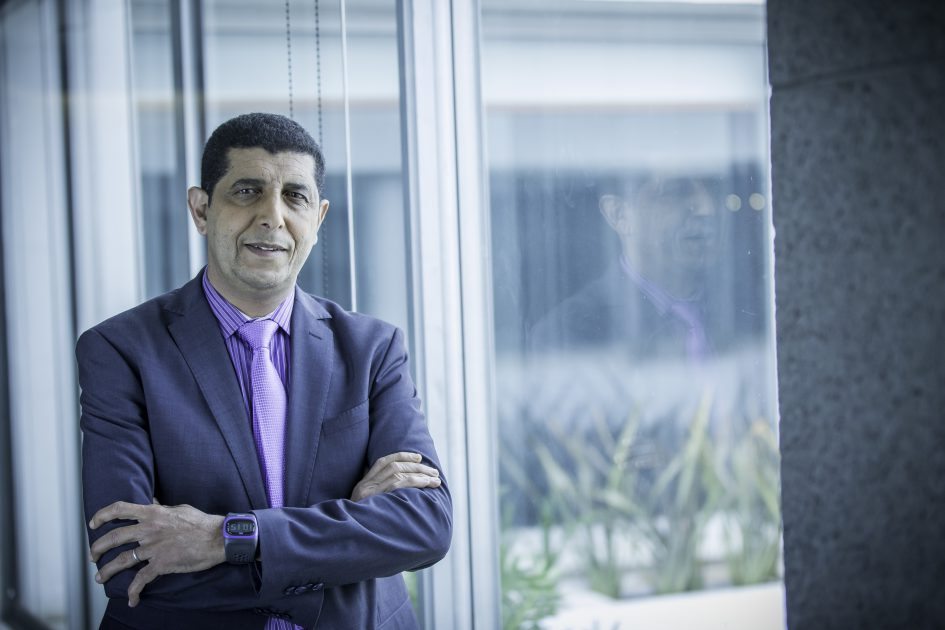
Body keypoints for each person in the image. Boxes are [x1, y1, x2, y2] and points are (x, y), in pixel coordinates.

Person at [78, 112, 451, 629]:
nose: (272, 217)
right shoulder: (120, 351)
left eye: (295, 197)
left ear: (318, 219)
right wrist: (345, 544)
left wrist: (225, 538)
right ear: (201, 209)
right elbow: (127, 560)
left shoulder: (373, 349)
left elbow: (425, 525)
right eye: (247, 191)